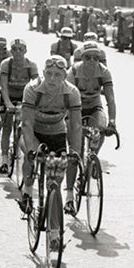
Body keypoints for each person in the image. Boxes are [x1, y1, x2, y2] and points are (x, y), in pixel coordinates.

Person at [20, 55, 84, 215]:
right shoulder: (32, 89)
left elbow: (76, 126)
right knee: (32, 159)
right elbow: (27, 124)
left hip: (57, 132)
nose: (52, 79)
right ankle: (27, 191)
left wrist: (75, 153)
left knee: (56, 177)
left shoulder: (72, 92)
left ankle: (60, 200)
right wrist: (30, 151)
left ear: (64, 76)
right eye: (48, 73)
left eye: (57, 75)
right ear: (43, 72)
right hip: (34, 132)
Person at [0, 38, 39, 175]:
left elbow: (35, 88)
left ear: (25, 51)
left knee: (27, 125)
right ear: (11, 51)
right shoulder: (6, 64)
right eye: (14, 49)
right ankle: (4, 160)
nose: (17, 52)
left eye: (20, 49)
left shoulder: (31, 65)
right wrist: (8, 103)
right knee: (7, 125)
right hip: (9, 95)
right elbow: (3, 86)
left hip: (25, 97)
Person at [70, 35, 117, 157]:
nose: (91, 61)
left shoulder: (104, 72)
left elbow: (110, 99)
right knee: (76, 142)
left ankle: (93, 157)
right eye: (87, 57)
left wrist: (112, 122)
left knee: (100, 128)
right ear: (82, 58)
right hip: (76, 108)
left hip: (94, 106)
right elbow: (66, 98)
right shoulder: (74, 71)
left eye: (95, 58)